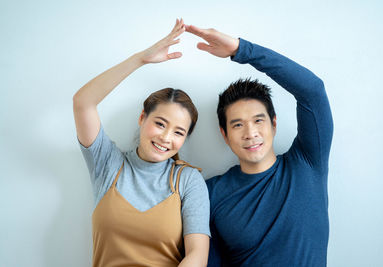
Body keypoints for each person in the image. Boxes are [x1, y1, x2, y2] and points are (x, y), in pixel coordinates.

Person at [185, 24, 334, 266]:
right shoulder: (210, 193)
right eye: (237, 125)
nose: (250, 133)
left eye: (258, 120)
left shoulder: (307, 162)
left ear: (274, 124)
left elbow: (313, 91)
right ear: (224, 134)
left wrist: (241, 50)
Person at [73, 19, 210, 267]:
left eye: (179, 132)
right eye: (160, 123)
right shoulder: (107, 162)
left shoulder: (188, 180)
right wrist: (141, 59)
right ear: (142, 118)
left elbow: (197, 256)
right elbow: (83, 102)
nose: (166, 138)